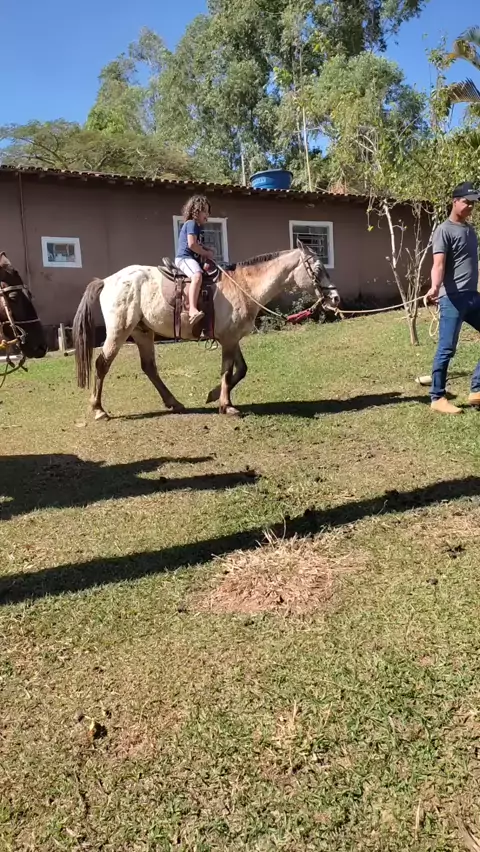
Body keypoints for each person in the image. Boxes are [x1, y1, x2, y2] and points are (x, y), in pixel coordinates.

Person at [426, 181, 480, 414]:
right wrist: (434, 287)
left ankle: (477, 390)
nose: (471, 207)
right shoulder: (443, 230)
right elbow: (438, 264)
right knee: (447, 348)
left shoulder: (470, 231)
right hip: (452, 298)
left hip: (472, 296)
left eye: (474, 203)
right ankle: (437, 397)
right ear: (455, 201)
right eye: (467, 202)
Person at [175, 194, 215, 326]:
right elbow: (192, 245)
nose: (207, 215)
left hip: (191, 259)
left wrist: (206, 249)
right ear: (196, 211)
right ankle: (192, 309)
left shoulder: (198, 227)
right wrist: (206, 253)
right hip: (184, 258)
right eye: (205, 211)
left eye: (208, 212)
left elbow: (197, 244)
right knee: (197, 276)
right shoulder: (191, 224)